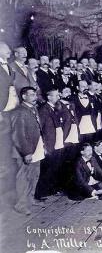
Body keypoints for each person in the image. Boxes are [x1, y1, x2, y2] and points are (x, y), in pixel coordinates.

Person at [10, 87, 45, 215]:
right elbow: (18, 135)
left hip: (36, 148)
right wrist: (26, 152)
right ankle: (21, 205)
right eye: (31, 94)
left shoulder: (33, 108)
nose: (35, 96)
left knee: (34, 175)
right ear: (24, 97)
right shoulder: (19, 111)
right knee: (23, 178)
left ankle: (30, 199)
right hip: (25, 151)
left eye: (35, 94)